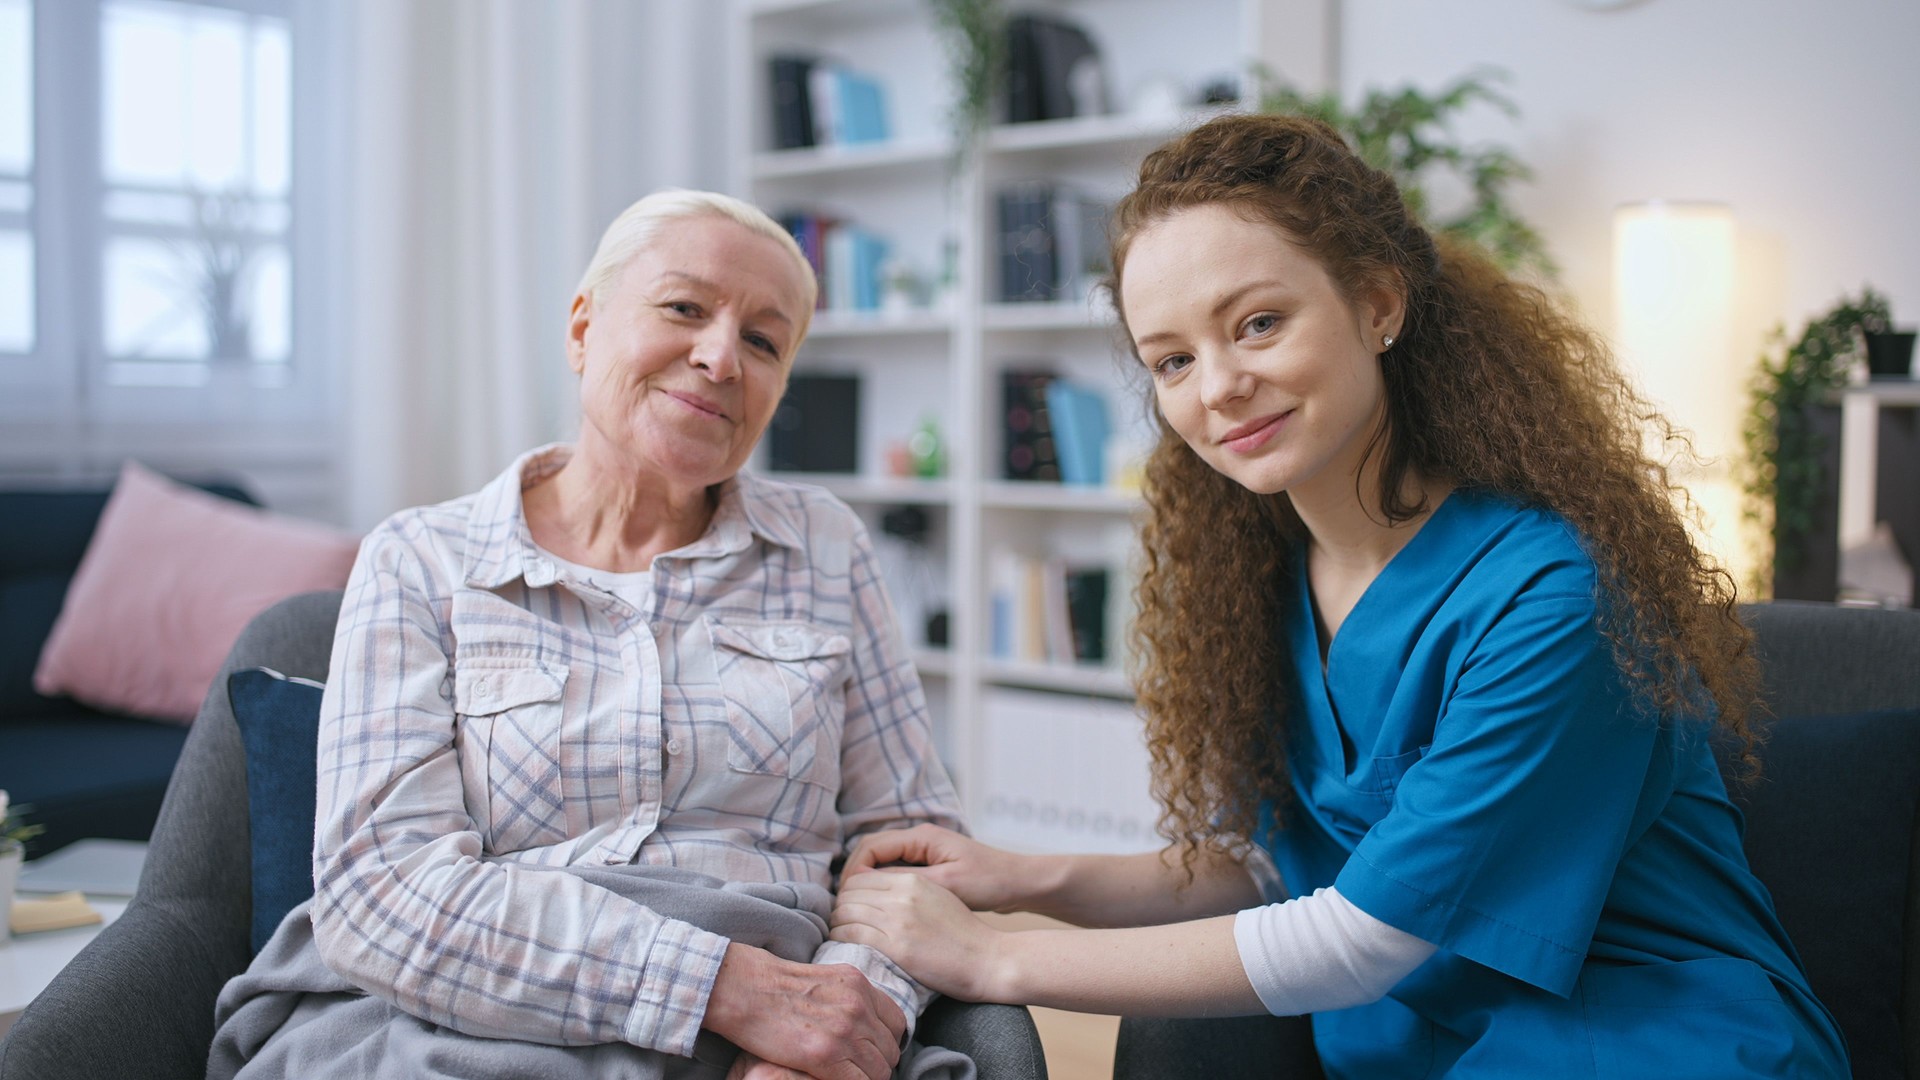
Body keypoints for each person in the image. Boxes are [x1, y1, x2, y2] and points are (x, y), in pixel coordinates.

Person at [828, 114, 1850, 1078]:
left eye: (1259, 323)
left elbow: (1360, 937)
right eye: (1172, 360)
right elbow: (1286, 866)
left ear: (1377, 305)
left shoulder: (1552, 595)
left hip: (1650, 1044)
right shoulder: (1276, 581)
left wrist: (994, 958)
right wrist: (1018, 877)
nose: (1217, 385)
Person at [209, 190, 968, 1080]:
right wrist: (725, 990)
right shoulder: (421, 559)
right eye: (684, 308)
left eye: (764, 341)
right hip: (473, 1017)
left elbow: (911, 850)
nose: (721, 356)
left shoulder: (825, 547)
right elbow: (381, 892)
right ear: (582, 329)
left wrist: (839, 1020)